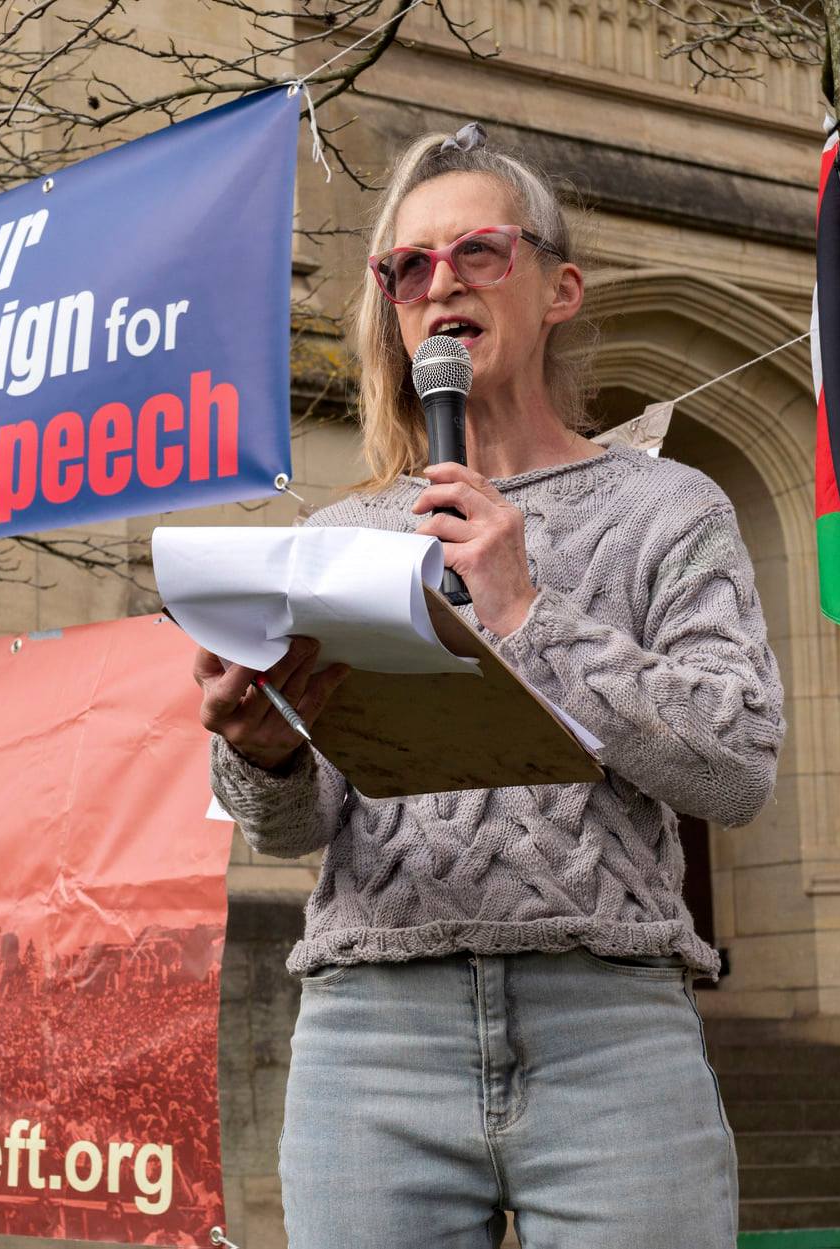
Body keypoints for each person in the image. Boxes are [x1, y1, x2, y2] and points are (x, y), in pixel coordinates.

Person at [192, 123, 786, 1248]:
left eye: (477, 250)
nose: (441, 283)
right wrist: (261, 746)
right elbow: (294, 828)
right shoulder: (340, 534)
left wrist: (527, 611)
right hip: (374, 1040)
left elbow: (738, 765)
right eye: (406, 266)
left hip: (608, 1030)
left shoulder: (668, 509)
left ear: (559, 288)